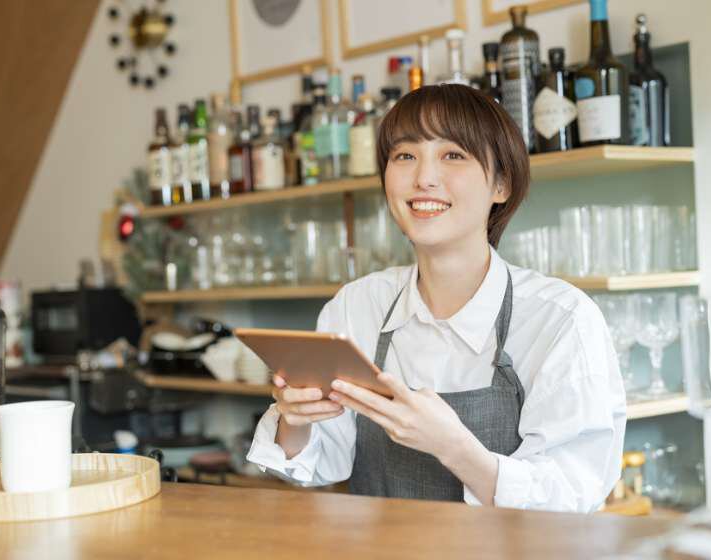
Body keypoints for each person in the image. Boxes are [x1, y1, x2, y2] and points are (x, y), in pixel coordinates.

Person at [247, 84, 626, 512]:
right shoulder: (358, 305)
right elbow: (319, 463)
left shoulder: (560, 318)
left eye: (453, 155)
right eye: (405, 156)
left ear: (501, 184)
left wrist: (455, 447)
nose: (424, 178)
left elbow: (573, 495)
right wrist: (296, 418)